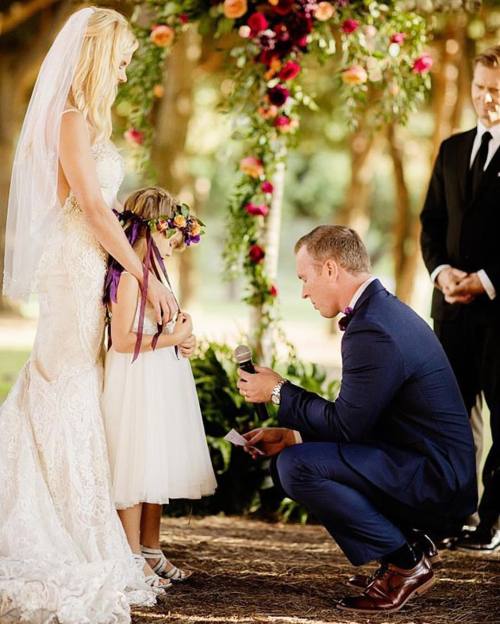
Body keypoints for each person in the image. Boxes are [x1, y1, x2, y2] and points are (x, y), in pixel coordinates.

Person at [0, 8, 176, 622]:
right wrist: (143, 273)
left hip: (83, 264)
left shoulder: (81, 122)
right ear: (99, 57)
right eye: (123, 62)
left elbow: (101, 212)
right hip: (71, 269)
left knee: (78, 383)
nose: (126, 73)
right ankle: (62, 520)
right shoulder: (69, 118)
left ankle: (81, 511)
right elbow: (96, 214)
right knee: (67, 383)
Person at [237, 225, 476, 614]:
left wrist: (278, 391)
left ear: (330, 269)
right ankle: (406, 546)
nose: (303, 292)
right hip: (419, 462)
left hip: (434, 480)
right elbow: (362, 416)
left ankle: (405, 562)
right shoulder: (380, 312)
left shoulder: (373, 328)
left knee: (297, 469)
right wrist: (293, 435)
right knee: (292, 459)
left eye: (305, 278)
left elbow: (347, 427)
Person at [101, 187, 217, 588]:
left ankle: (152, 548)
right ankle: (131, 555)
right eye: (171, 236)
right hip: (135, 380)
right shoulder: (130, 277)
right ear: (152, 230)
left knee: (155, 465)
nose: (175, 245)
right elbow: (120, 339)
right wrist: (169, 339)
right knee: (135, 466)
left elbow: (163, 325)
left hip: (158, 376)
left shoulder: (156, 275)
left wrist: (183, 337)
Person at [420, 45, 500, 552]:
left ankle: (490, 524)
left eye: (495, 91)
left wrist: (487, 280)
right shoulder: (451, 148)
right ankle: (452, 515)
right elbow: (430, 223)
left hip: (498, 313)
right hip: (449, 310)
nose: (485, 99)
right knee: (448, 418)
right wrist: (443, 272)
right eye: (479, 88)